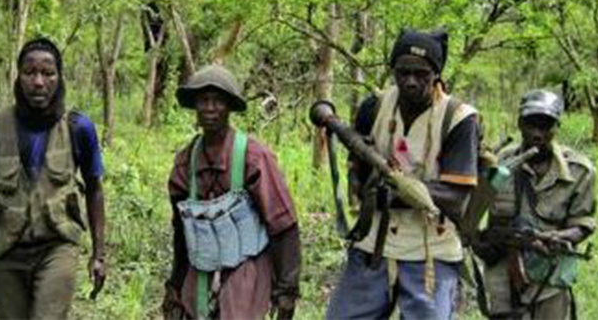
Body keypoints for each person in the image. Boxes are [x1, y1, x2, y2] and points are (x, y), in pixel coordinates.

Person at [326, 31, 480, 320]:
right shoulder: (374, 107)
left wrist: (393, 190)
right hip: (375, 242)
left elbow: (457, 198)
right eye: (403, 72)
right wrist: (362, 175)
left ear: (436, 74)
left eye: (421, 74)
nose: (410, 81)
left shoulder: (459, 118)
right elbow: (356, 178)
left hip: (431, 248)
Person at [0, 38, 106, 319]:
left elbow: (95, 189)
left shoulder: (78, 127)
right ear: (18, 77)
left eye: (48, 73)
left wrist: (99, 254)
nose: (38, 82)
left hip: (56, 247)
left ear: (59, 78)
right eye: (29, 73)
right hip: (7, 250)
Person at [162, 65, 301, 319]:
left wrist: (287, 290)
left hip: (246, 264)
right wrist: (175, 286)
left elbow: (284, 225)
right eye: (203, 100)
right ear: (194, 106)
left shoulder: (254, 157)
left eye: (218, 101)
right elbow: (182, 232)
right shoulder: (185, 163)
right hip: (201, 264)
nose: (210, 108)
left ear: (229, 107)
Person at [477, 90, 596, 319]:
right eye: (531, 125)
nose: (537, 134)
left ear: (556, 127)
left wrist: (557, 238)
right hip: (503, 275)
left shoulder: (579, 171)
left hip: (548, 277)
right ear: (520, 123)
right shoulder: (502, 163)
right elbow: (481, 209)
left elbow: (583, 224)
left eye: (545, 126)